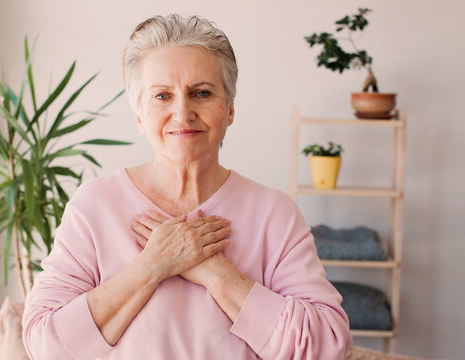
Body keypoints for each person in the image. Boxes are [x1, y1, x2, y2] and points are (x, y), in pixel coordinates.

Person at [22, 14, 352, 360]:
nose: (183, 112)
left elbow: (327, 346)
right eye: (162, 96)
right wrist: (153, 264)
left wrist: (215, 273)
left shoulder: (274, 213)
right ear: (139, 115)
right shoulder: (95, 205)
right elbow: (45, 345)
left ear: (229, 109)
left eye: (202, 93)